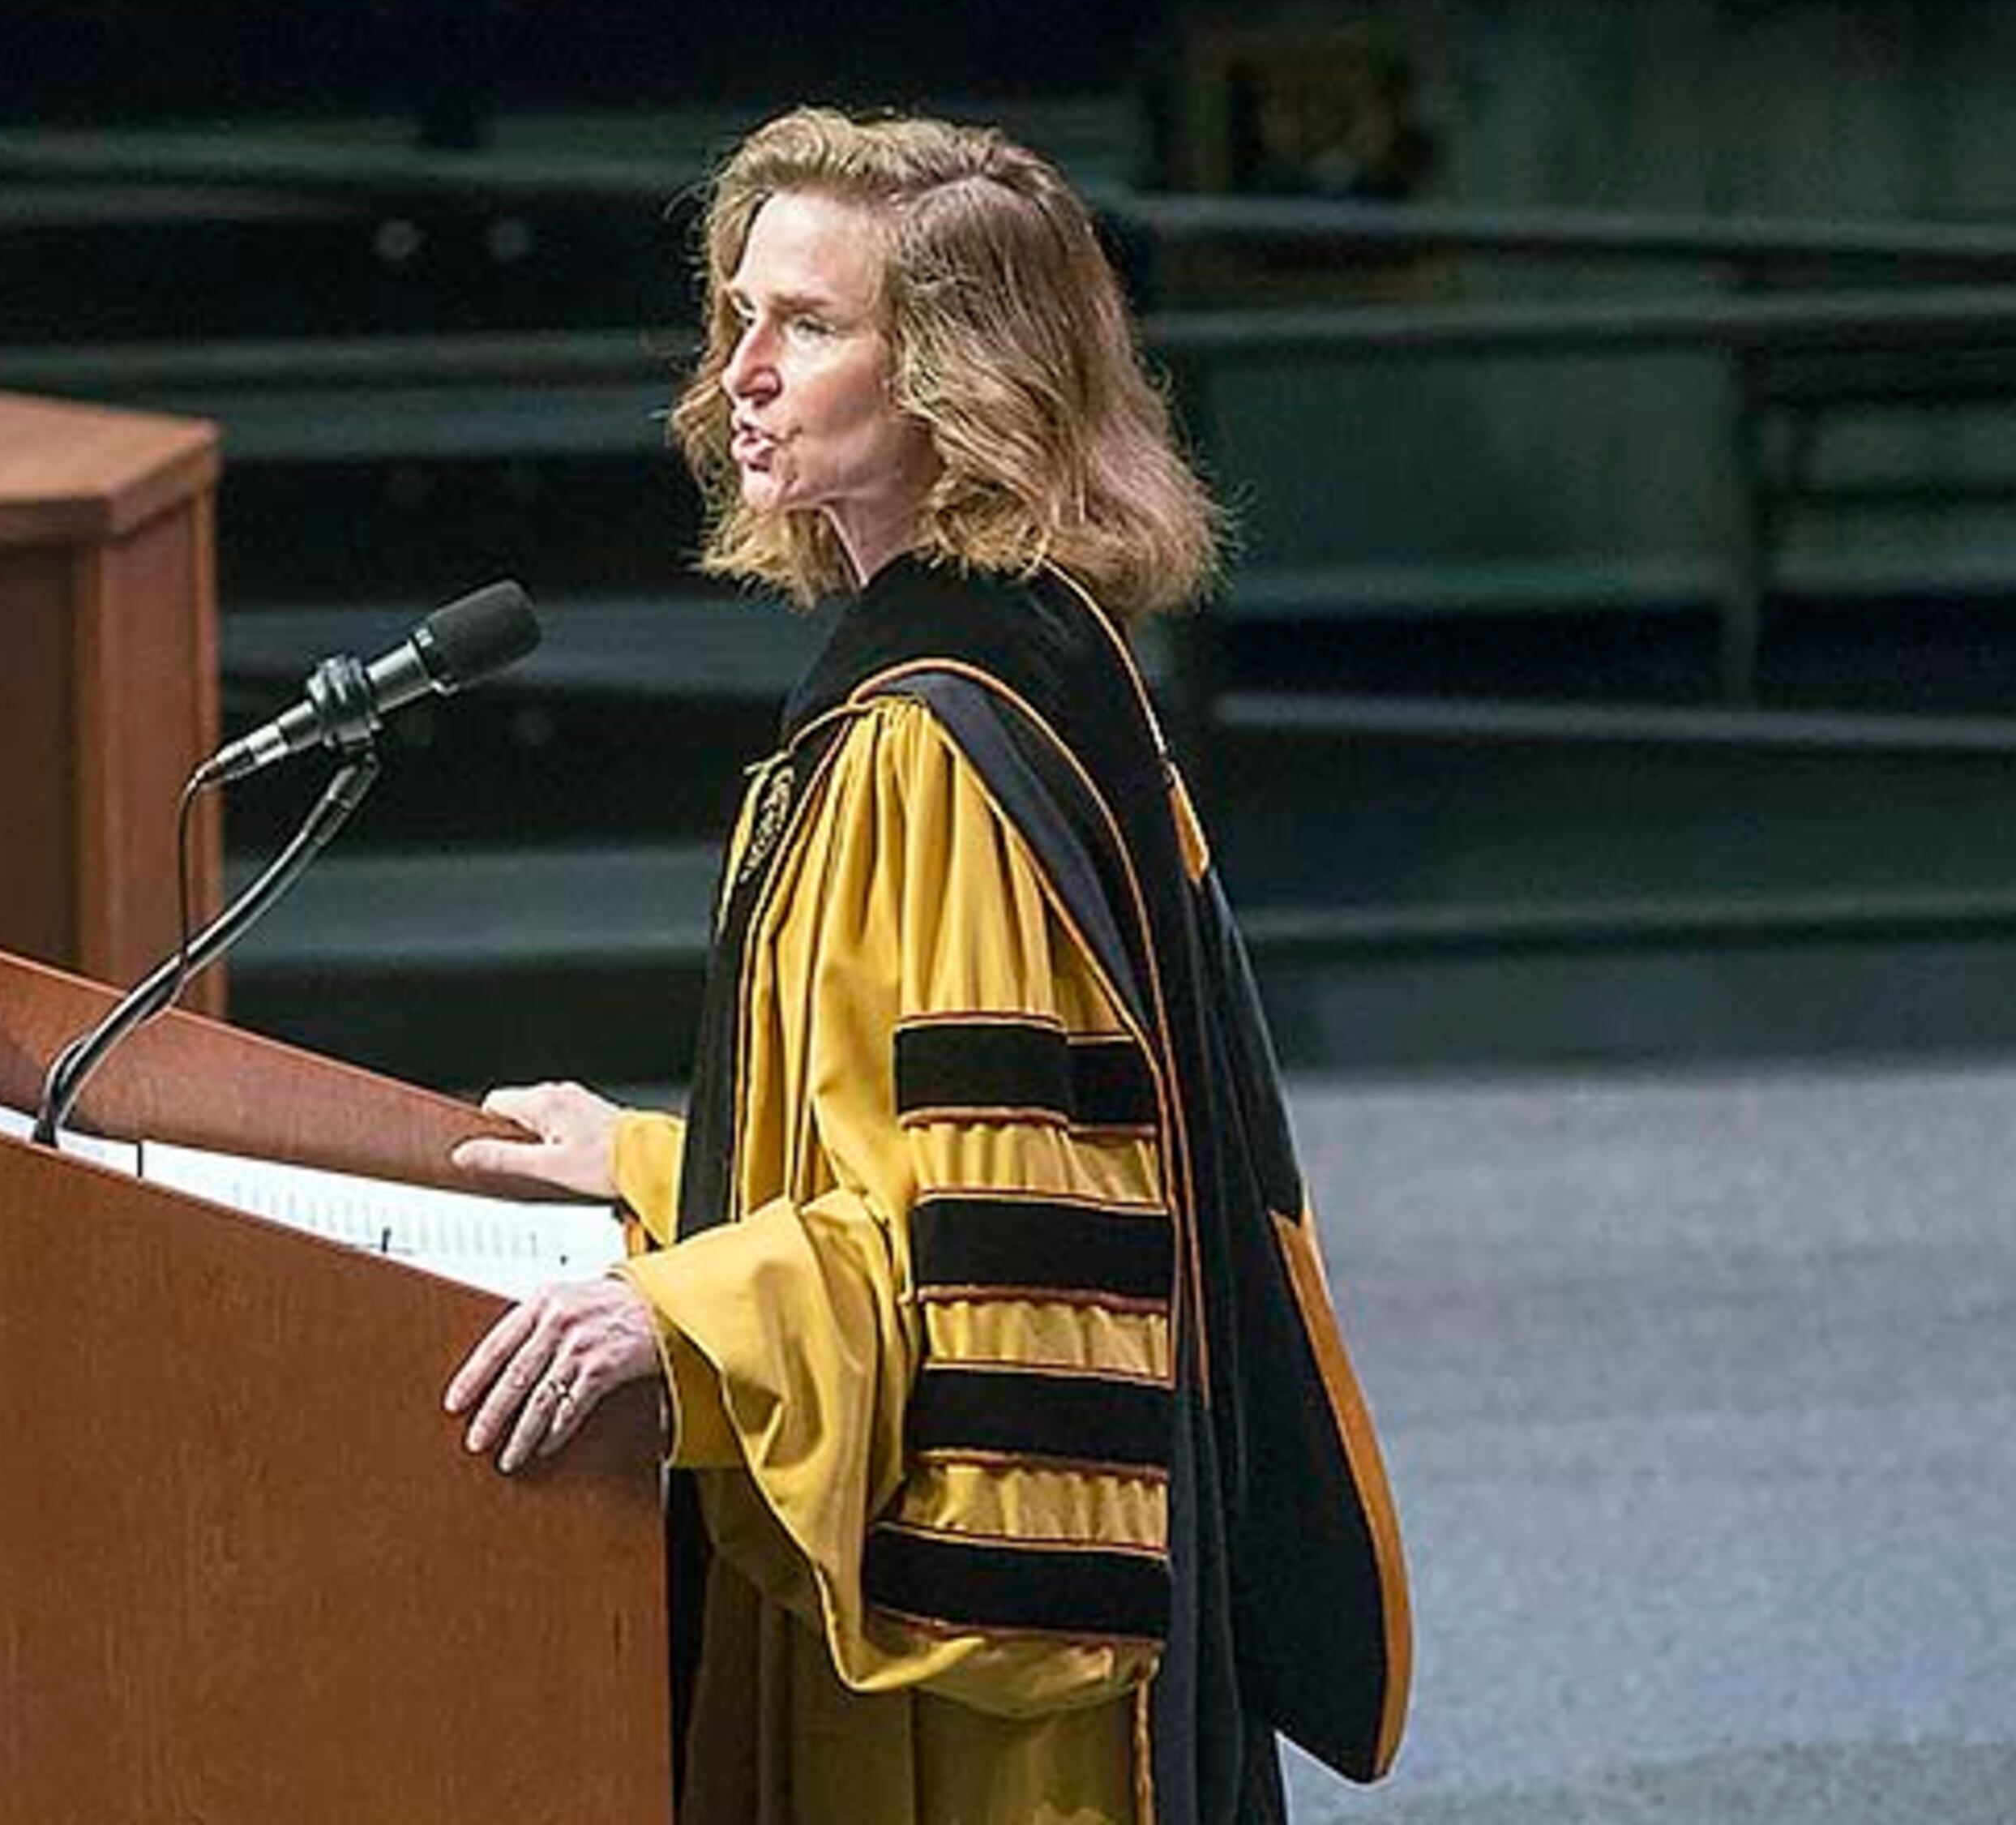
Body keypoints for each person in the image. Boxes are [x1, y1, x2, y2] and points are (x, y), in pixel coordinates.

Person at [443, 108, 1409, 1825]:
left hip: (984, 1702)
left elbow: (1009, 1246)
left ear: (961, 372)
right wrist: (667, 1165)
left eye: (810, 325)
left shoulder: (939, 739)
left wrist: (684, 1310)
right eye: (738, 314)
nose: (741, 368)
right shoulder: (1030, 650)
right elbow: (932, 1151)